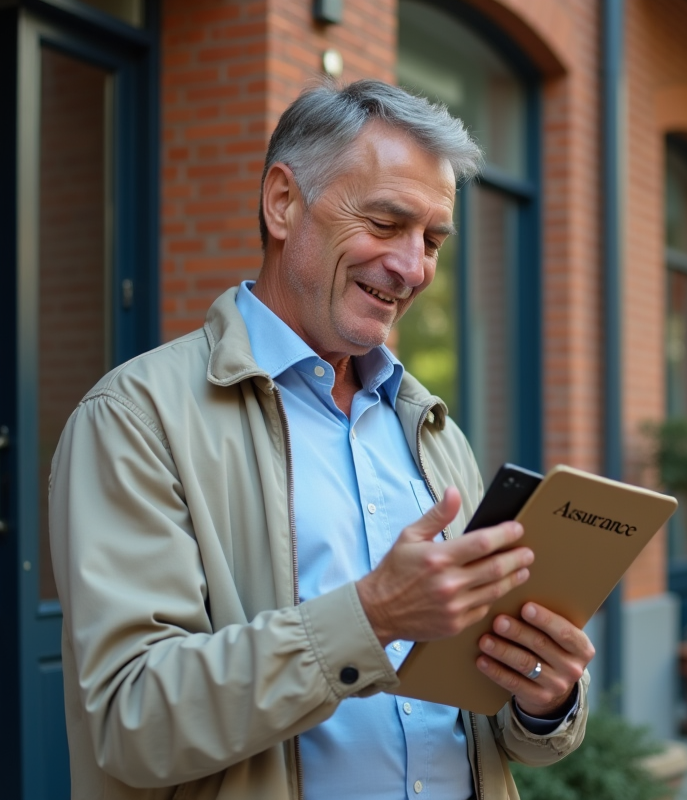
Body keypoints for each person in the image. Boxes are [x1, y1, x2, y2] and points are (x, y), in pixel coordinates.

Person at [49, 80, 592, 800]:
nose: (413, 268)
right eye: (386, 222)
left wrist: (543, 694)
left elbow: (479, 725)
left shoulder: (433, 432)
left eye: (432, 240)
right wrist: (372, 617)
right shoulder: (135, 418)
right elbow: (134, 722)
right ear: (282, 202)